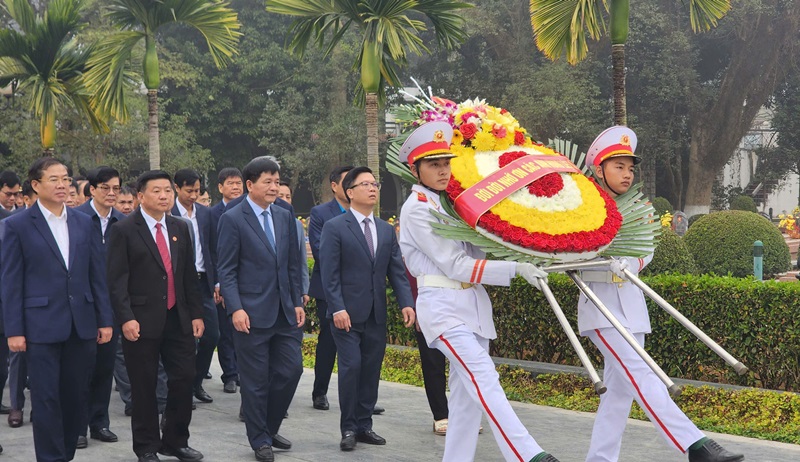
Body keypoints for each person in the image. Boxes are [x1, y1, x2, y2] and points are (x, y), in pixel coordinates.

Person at [579, 126, 744, 462]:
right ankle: (694, 446)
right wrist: (611, 260)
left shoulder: (636, 208)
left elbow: (647, 249)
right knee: (644, 376)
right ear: (599, 170)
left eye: (630, 168)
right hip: (602, 309)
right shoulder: (583, 208)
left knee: (618, 395)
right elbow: (576, 257)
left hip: (632, 308)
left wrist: (625, 260)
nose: (626, 174)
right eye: (618, 167)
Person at [398, 122, 558, 462]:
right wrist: (514, 269)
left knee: (466, 401)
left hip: (472, 306)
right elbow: (455, 264)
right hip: (441, 307)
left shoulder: (450, 205)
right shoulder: (418, 209)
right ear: (416, 170)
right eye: (433, 164)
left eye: (446, 163)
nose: (443, 170)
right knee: (484, 376)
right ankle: (529, 455)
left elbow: (477, 252)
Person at [1, 157, 114, 462]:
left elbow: (96, 275)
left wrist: (105, 319)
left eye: (66, 178)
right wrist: (14, 329)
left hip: (82, 324)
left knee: (75, 397)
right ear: (36, 186)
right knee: (46, 399)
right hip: (40, 326)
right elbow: (11, 282)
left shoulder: (82, 221)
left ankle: (64, 455)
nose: (63, 184)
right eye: (54, 179)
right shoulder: (16, 226)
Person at [106, 170, 205, 462]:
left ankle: (175, 440)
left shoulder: (181, 227)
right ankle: (147, 446)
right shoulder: (124, 230)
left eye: (168, 191)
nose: (164, 196)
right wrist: (125, 317)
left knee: (184, 378)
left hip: (178, 316)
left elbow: (189, 276)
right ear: (140, 196)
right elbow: (116, 280)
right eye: (157, 191)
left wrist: (197, 314)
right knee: (144, 385)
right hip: (141, 319)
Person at [319, 167, 415, 451]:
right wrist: (337, 307)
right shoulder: (335, 227)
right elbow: (329, 273)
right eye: (365, 184)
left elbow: (396, 271)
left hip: (375, 314)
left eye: (375, 183)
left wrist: (407, 303)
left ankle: (364, 425)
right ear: (350, 192)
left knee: (371, 370)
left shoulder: (385, 229)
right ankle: (348, 427)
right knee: (351, 368)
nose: (373, 188)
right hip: (345, 315)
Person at [216, 157, 305, 462]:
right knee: (255, 381)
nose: (274, 187)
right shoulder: (232, 218)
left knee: (291, 370)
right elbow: (226, 270)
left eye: (277, 181)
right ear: (250, 185)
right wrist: (236, 308)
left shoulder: (283, 215)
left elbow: (293, 264)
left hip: (284, 312)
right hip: (250, 315)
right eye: (267, 181)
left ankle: (269, 426)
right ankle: (259, 440)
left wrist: (296, 300)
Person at [74, 167, 126, 448]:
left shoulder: (123, 222)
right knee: (83, 367)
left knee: (105, 367)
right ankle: (78, 426)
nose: (111, 193)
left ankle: (99, 423)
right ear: (91, 190)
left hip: (112, 305)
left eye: (116, 188)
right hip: (82, 303)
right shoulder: (76, 218)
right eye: (105, 187)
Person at [172, 169, 219, 405]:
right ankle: (181, 388)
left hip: (203, 282)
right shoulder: (167, 213)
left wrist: (217, 281)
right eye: (189, 191)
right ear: (177, 189)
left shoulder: (205, 213)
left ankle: (196, 382)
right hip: (178, 285)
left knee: (212, 335)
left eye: (197, 191)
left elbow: (212, 248)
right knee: (184, 339)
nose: (193, 195)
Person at [308, 165, 352, 411]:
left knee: (361, 343)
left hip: (359, 289)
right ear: (334, 186)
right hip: (328, 287)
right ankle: (319, 392)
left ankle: (360, 395)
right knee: (328, 342)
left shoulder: (364, 212)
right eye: (347, 182)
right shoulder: (320, 213)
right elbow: (320, 250)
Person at [210, 167, 244, 393]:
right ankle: (230, 374)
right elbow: (212, 250)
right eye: (230, 183)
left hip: (246, 281)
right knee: (225, 330)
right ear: (220, 187)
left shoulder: (247, 211)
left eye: (238, 183)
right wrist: (218, 282)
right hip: (223, 280)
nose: (235, 187)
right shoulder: (212, 214)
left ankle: (243, 371)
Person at [277, 182, 310, 306]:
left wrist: (304, 290)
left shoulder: (297, 225)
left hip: (293, 289)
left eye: (288, 197)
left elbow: (301, 259)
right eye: (280, 197)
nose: (285, 200)